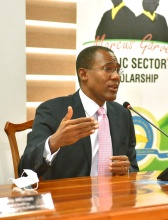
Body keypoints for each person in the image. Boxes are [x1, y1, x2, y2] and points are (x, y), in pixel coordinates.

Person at [19, 46, 139, 180]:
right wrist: (53, 143)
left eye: (117, 70)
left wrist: (127, 169)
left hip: (115, 198)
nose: (116, 76)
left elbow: (134, 168)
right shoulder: (52, 111)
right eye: (108, 69)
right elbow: (25, 170)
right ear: (83, 74)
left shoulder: (123, 114)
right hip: (70, 197)